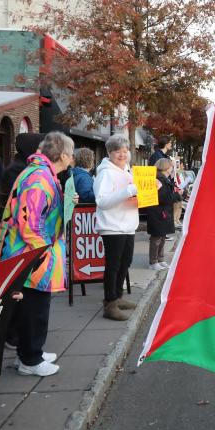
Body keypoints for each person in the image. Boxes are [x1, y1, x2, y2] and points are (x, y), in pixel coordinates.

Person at [0, 132, 72, 376]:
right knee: (34, 309)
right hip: (32, 256)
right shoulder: (40, 178)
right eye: (70, 154)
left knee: (30, 307)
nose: (72, 159)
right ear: (62, 155)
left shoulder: (41, 173)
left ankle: (29, 352)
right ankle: (31, 359)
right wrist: (44, 253)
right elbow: (30, 223)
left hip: (29, 253)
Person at [93, 134, 139, 321]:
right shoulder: (105, 173)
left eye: (125, 151)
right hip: (112, 226)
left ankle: (118, 297)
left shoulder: (128, 172)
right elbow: (102, 201)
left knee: (125, 263)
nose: (122, 154)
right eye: (117, 151)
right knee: (113, 266)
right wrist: (129, 190)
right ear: (109, 153)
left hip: (128, 224)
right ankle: (110, 303)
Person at [0, 132, 45, 210]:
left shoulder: (30, 166)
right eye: (39, 148)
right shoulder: (16, 170)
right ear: (30, 147)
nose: (41, 152)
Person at [146, 157, 178, 270]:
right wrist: (177, 195)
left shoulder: (164, 178)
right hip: (157, 212)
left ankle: (160, 259)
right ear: (166, 167)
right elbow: (163, 197)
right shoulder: (158, 178)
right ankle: (153, 261)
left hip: (162, 212)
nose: (172, 168)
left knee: (162, 236)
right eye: (171, 166)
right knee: (157, 238)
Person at [63, 147, 97, 225]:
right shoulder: (84, 177)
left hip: (74, 215)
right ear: (90, 162)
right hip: (83, 218)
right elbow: (86, 195)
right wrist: (101, 195)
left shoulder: (73, 174)